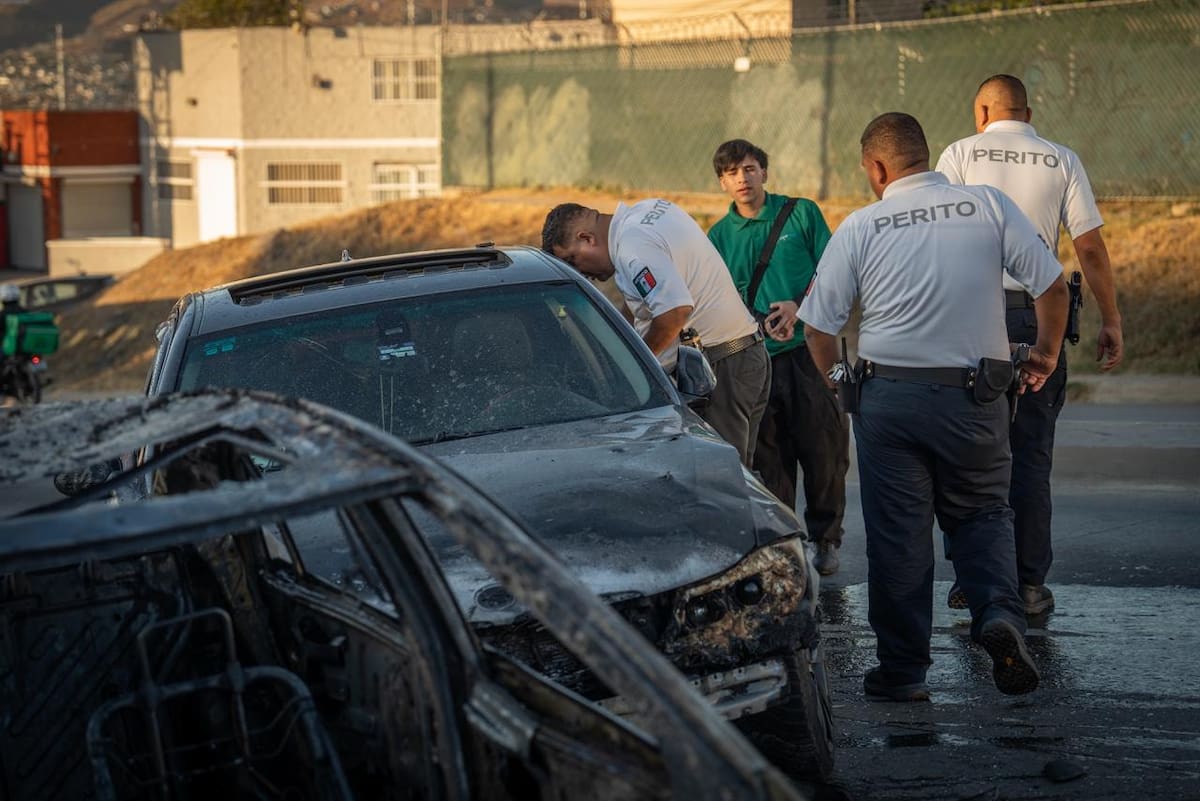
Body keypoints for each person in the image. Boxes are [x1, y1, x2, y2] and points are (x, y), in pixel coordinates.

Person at [799, 112, 1068, 700]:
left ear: (877, 167)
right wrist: (1045, 354)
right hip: (975, 396)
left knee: (898, 537)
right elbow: (1051, 286)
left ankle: (903, 673)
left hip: (888, 399)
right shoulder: (987, 205)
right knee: (983, 515)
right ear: (926, 155)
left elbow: (817, 327)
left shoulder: (861, 225)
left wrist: (841, 382)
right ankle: (998, 615)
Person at [936, 74, 1124, 616]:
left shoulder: (960, 154)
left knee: (970, 453)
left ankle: (974, 578)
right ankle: (1029, 584)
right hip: (1039, 312)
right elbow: (1090, 247)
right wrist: (1111, 318)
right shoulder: (1061, 158)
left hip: (973, 317)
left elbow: (937, 237)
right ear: (1029, 112)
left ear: (983, 112)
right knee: (1031, 454)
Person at [707, 139, 850, 576]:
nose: (742, 179)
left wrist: (798, 309)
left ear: (764, 173)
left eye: (749, 169)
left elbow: (832, 271)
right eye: (732, 173)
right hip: (755, 360)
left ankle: (826, 539)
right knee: (769, 462)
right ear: (722, 182)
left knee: (825, 451)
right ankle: (787, 543)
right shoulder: (718, 236)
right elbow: (716, 297)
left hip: (810, 352)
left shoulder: (801, 213)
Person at [542, 200, 770, 467]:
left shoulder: (633, 246)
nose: (581, 272)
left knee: (722, 475)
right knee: (744, 474)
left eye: (572, 260)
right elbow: (642, 299)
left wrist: (638, 366)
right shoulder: (649, 211)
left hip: (718, 368)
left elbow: (675, 311)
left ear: (586, 238)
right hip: (741, 355)